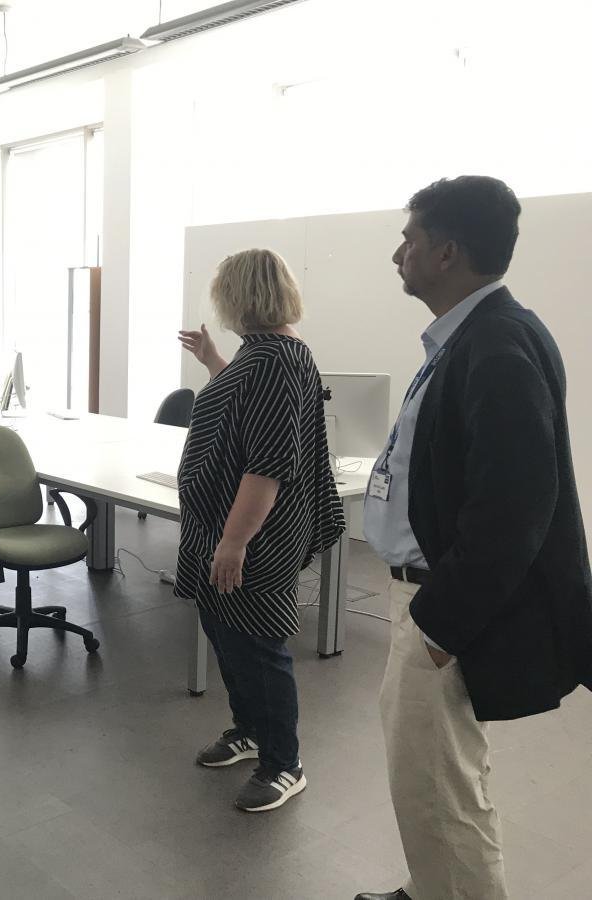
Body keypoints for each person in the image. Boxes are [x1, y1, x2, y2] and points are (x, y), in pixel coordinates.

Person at [355, 176, 592, 900]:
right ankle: (433, 885)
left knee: (439, 789)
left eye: (410, 240)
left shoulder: (495, 346)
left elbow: (514, 511)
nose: (397, 254)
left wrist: (438, 628)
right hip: (428, 597)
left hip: (441, 607)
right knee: (439, 772)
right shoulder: (475, 336)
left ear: (447, 253)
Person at [177, 248, 346, 813]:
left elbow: (267, 465)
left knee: (258, 641)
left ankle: (283, 763)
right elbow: (245, 409)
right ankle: (249, 730)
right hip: (224, 526)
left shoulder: (279, 359)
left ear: (240, 296)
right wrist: (214, 362)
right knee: (223, 626)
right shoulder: (262, 354)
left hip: (255, 535)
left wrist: (234, 542)